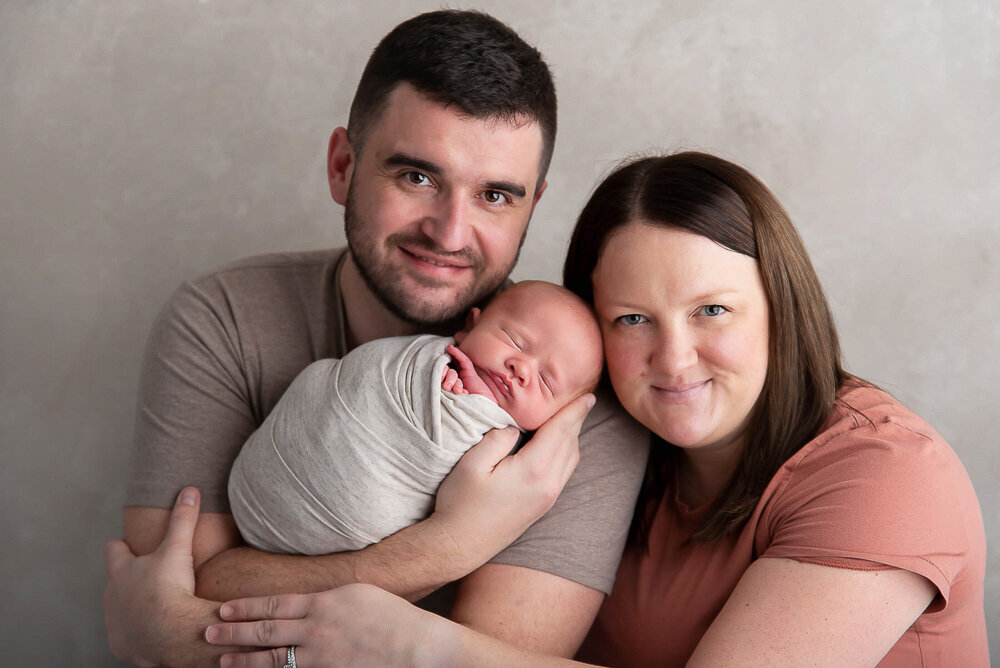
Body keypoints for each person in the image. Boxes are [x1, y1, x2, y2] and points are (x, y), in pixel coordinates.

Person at [194, 152, 988, 666]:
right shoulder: (606, 447)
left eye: (712, 311)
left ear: (783, 306)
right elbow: (220, 576)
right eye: (632, 319)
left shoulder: (885, 473)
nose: (673, 360)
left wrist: (421, 648)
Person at [102, 10, 649, 667]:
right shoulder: (221, 318)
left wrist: (175, 632)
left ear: (532, 204)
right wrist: (450, 546)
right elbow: (186, 589)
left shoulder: (574, 396)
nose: (449, 233)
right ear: (343, 166)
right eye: (418, 177)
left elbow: (181, 627)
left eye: (495, 196)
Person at [230, 280, 604, 555]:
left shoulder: (530, 462)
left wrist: (473, 405)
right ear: (470, 326)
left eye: (545, 381)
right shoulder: (422, 364)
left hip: (331, 532)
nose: (521, 368)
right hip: (267, 476)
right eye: (515, 341)